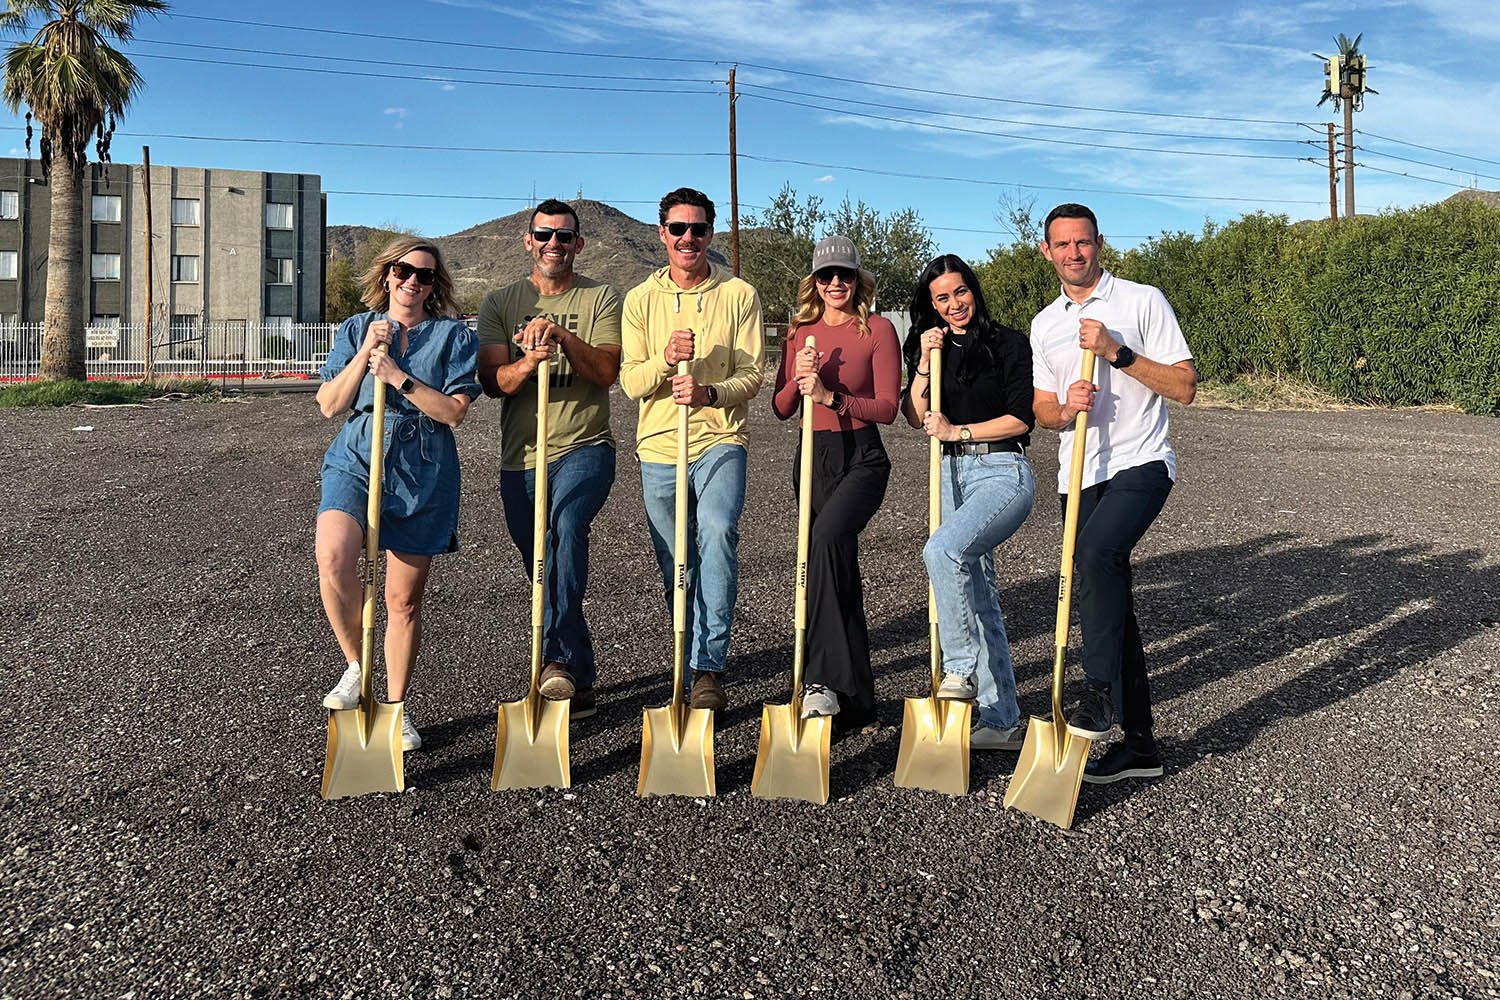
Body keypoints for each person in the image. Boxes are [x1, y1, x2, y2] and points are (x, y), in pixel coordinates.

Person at [1030, 202, 1197, 783]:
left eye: (1084, 242)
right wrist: (1062, 409)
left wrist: (1116, 354)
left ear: (1100, 243)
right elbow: (1042, 409)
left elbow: (1185, 386)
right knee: (1110, 601)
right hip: (1077, 473)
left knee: (1095, 557)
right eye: (1063, 245)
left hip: (1141, 461)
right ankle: (1142, 747)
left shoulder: (1142, 300)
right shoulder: (1045, 324)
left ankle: (1096, 692)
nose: (1075, 253)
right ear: (1047, 252)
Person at [315, 237, 481, 751]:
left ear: (435, 285)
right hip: (359, 453)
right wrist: (368, 351)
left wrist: (398, 377)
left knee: (402, 600)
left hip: (422, 465)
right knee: (333, 555)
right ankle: (357, 664)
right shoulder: (355, 329)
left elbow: (454, 412)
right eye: (403, 270)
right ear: (387, 274)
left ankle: (395, 707)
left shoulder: (453, 337)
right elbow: (329, 403)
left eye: (425, 275)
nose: (412, 281)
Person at [619, 187, 764, 711]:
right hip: (659, 445)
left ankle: (709, 667)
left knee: (719, 532)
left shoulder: (739, 295)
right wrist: (664, 360)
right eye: (677, 229)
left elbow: (753, 375)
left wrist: (709, 393)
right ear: (662, 235)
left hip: (721, 438)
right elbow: (632, 382)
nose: (687, 238)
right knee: (675, 558)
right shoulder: (640, 300)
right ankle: (684, 652)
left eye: (698, 229)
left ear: (711, 234)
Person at [477, 199, 622, 720]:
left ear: (579, 243)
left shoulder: (601, 297)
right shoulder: (500, 302)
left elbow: (607, 372)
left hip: (585, 447)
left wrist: (561, 336)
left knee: (565, 527)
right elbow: (494, 384)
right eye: (544, 236)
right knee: (541, 562)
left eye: (564, 237)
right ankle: (576, 675)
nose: (554, 245)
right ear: (528, 240)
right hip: (521, 458)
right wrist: (530, 361)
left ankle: (554, 662)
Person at [902, 254, 1037, 750]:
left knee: (943, 551)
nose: (954, 304)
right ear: (931, 304)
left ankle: (958, 672)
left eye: (961, 292)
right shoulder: (927, 348)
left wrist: (958, 429)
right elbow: (915, 418)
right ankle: (1002, 721)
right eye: (942, 297)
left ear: (973, 291)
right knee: (978, 595)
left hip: (1002, 469)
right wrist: (921, 366)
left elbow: (1021, 418)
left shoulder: (1008, 343)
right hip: (948, 472)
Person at [770, 236, 899, 733]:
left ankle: (819, 680)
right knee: (833, 564)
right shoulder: (800, 332)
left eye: (845, 274)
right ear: (815, 283)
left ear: (858, 279)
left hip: (861, 458)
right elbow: (781, 409)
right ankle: (858, 699)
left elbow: (887, 408)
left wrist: (830, 395)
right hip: (813, 457)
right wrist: (795, 379)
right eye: (827, 276)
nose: (836, 284)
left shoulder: (878, 330)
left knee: (825, 541)